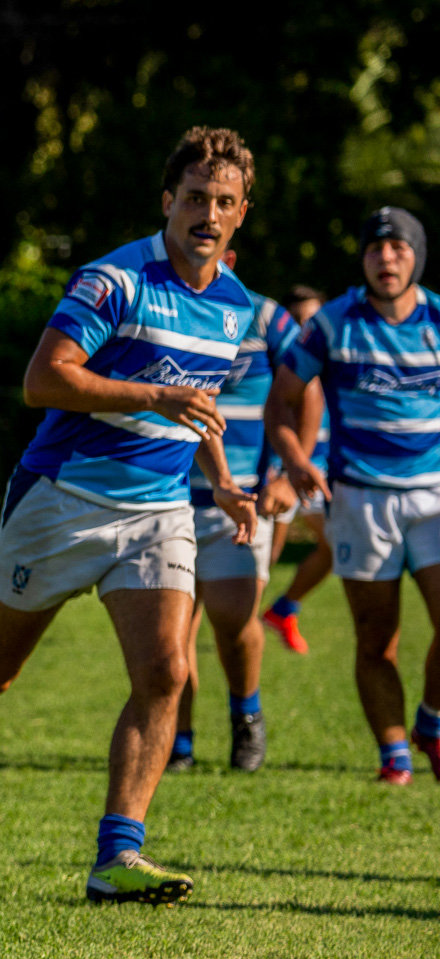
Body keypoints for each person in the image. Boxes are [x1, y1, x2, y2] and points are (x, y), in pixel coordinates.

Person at [0, 127, 259, 906]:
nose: (206, 213)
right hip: (63, 502)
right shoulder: (114, 281)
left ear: (242, 213)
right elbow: (45, 381)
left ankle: (117, 854)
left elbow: (194, 412)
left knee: (167, 672)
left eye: (223, 201)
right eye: (193, 199)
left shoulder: (236, 308)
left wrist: (224, 481)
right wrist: (154, 396)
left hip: (157, 511)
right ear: (167, 203)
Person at [265, 207, 440, 785]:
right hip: (361, 499)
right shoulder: (334, 322)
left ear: (416, 254)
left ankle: (431, 723)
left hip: (433, 495)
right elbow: (282, 397)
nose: (386, 258)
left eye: (398, 248)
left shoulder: (438, 317)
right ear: (363, 258)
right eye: (374, 249)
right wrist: (294, 462)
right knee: (375, 637)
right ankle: (395, 756)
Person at [166, 247, 301, 772]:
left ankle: (246, 718)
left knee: (231, 618)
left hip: (241, 498)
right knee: (170, 633)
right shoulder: (160, 310)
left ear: (233, 252)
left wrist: (288, 472)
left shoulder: (267, 316)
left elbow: (306, 386)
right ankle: (178, 741)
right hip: (167, 495)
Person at [261, 285, 333, 654]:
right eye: (299, 320)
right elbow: (272, 415)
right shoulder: (279, 364)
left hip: (317, 473)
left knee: (333, 546)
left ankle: (282, 610)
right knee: (266, 557)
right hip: (280, 473)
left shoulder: (335, 359)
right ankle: (256, 623)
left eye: (313, 319)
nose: (306, 328)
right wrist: (279, 467)